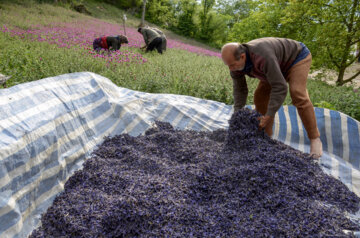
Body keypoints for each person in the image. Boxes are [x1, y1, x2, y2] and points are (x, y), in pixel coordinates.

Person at [221, 37, 323, 157]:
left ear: (242, 57)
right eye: (228, 65)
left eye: (232, 65)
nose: (230, 69)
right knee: (260, 96)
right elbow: (240, 90)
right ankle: (266, 137)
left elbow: (280, 87)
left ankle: (315, 139)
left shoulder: (262, 57)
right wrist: (237, 114)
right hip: (275, 66)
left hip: (296, 57)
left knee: (297, 93)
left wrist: (269, 114)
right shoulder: (235, 65)